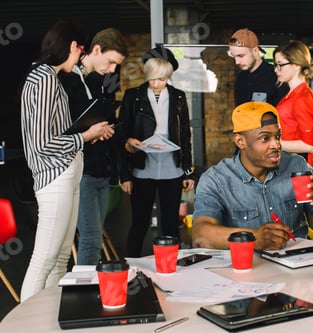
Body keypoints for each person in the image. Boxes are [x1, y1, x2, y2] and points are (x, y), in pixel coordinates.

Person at [19, 21, 114, 301]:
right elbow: (42, 143)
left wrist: (85, 134)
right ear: (73, 46)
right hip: (55, 177)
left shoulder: (48, 78)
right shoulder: (45, 78)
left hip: (66, 173)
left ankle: (47, 319)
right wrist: (85, 136)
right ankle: (25, 326)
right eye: (81, 51)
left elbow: (52, 134)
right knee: (44, 260)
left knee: (60, 259)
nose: (81, 58)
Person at [192, 101, 313, 251]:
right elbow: (200, 235)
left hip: (299, 260)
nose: (276, 145)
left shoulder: (296, 166)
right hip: (248, 266)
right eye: (265, 138)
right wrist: (254, 238)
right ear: (240, 141)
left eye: (278, 136)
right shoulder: (216, 180)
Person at [59, 28, 128, 265]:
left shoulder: (98, 80)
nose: (111, 70)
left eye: (116, 66)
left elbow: (94, 122)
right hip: (81, 170)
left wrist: (103, 130)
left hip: (100, 167)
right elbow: (63, 128)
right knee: (90, 239)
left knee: (94, 237)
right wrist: (90, 133)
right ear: (96, 50)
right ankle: (85, 295)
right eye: (110, 62)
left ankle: (92, 292)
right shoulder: (70, 79)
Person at [119, 47, 195, 257]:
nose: (156, 84)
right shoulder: (132, 96)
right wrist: (124, 175)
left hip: (172, 169)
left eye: (161, 79)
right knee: (140, 223)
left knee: (171, 225)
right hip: (142, 169)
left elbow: (185, 136)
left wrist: (188, 171)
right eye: (152, 79)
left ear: (168, 77)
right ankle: (132, 266)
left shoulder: (178, 97)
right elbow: (121, 134)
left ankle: (173, 267)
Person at [273, 40, 313, 181]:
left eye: (280, 64)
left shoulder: (302, 97)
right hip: (290, 164)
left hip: (299, 169)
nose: (276, 69)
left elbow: (309, 145)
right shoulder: (293, 94)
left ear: (296, 65)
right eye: (275, 65)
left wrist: (273, 144)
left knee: (302, 202)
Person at [228, 28, 288, 106]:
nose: (237, 62)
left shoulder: (276, 76)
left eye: (241, 56)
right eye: (234, 56)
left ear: (255, 51)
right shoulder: (241, 78)